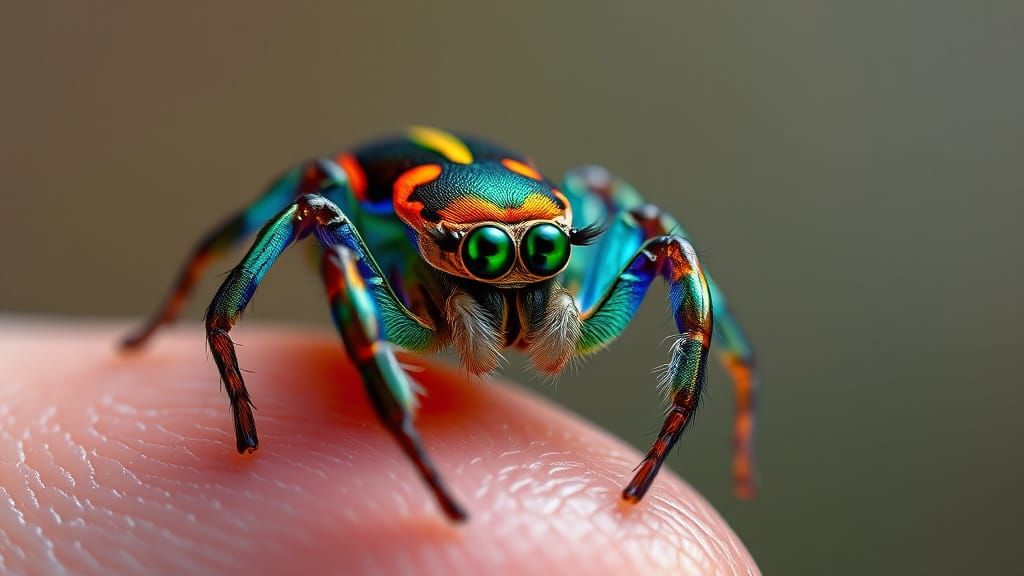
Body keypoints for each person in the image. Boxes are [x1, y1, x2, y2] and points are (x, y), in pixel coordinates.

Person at [0, 321, 759, 575]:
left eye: (551, 258)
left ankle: (718, 385)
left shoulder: (577, 274)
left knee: (658, 234)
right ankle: (402, 438)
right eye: (499, 259)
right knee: (319, 205)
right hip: (403, 254)